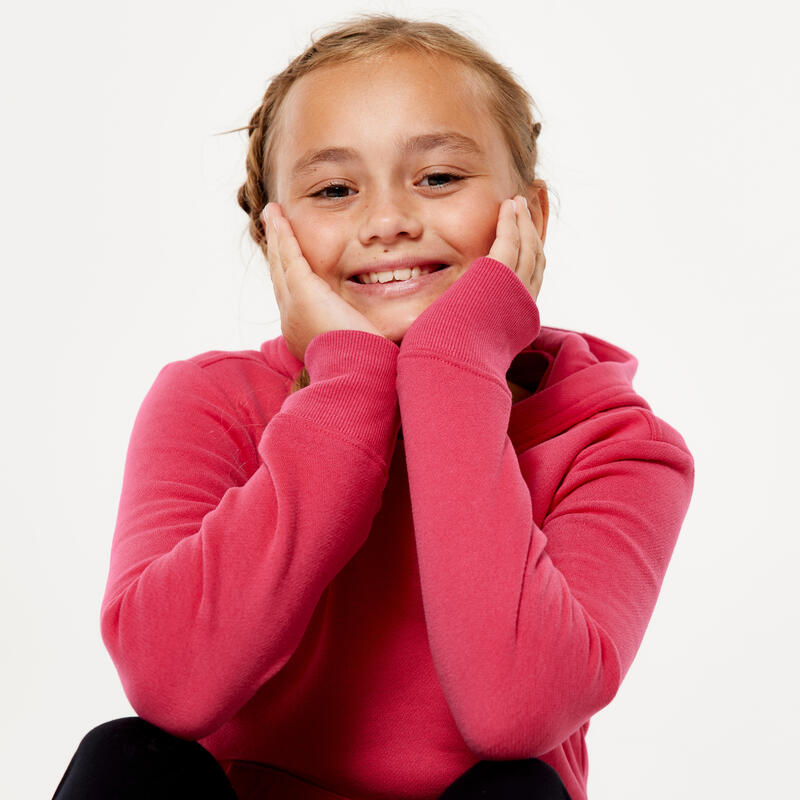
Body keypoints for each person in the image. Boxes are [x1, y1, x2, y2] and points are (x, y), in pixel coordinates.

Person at [52, 13, 695, 800]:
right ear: (273, 240)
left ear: (533, 217)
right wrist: (350, 386)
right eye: (334, 190)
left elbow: (515, 716)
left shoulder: (618, 446)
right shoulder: (209, 401)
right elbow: (169, 687)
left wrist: (453, 367)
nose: (388, 221)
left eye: (439, 178)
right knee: (126, 758)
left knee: (518, 788)